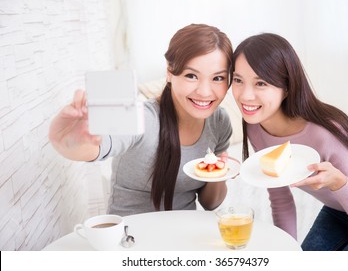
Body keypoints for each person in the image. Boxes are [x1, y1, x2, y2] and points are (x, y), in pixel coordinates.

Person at [49, 23, 233, 216]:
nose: (204, 91)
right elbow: (98, 147)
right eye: (191, 75)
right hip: (132, 238)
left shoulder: (219, 122)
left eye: (218, 78)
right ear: (170, 72)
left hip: (185, 236)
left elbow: (210, 203)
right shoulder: (143, 117)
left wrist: (220, 172)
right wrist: (65, 141)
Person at [231, 33, 348, 251]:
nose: (245, 95)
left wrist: (339, 183)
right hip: (340, 210)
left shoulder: (326, 133)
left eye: (260, 83)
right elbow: (280, 199)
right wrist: (286, 252)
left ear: (286, 87)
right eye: (238, 80)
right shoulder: (255, 126)